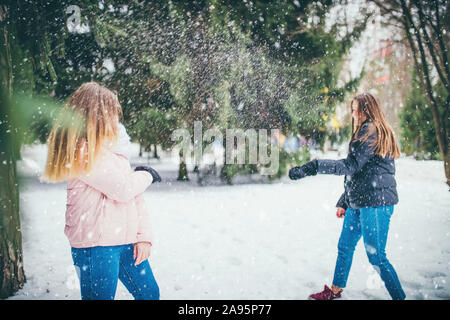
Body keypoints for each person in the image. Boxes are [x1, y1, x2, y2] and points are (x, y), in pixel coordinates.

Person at [41, 82, 161, 300]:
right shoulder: (81, 151)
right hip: (96, 246)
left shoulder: (115, 152)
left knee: (149, 293)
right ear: (95, 115)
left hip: (125, 242)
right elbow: (123, 189)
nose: (115, 118)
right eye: (111, 111)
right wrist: (147, 174)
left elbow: (134, 197)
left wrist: (144, 237)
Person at [289, 92, 406, 300]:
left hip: (376, 203)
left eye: (355, 110)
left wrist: (314, 166)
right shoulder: (365, 130)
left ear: (365, 111)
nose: (353, 114)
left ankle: (400, 298)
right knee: (345, 246)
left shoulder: (371, 131)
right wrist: (345, 201)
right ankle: (335, 291)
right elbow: (359, 172)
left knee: (376, 257)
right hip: (359, 201)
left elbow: (351, 166)